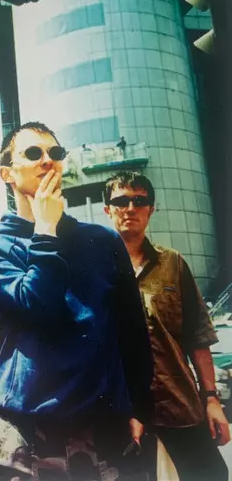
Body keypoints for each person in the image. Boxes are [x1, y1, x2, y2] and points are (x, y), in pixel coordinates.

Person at [0, 121, 154, 481]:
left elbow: (131, 331)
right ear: (7, 173)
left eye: (55, 152)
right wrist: (45, 229)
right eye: (32, 153)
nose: (47, 160)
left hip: (106, 422)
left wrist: (140, 408)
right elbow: (39, 306)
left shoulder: (102, 240)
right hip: (31, 430)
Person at [103, 171, 229, 481]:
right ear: (107, 209)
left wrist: (211, 398)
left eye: (139, 201)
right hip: (123, 415)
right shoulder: (95, 269)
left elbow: (198, 336)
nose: (130, 208)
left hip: (179, 405)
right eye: (120, 201)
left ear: (151, 209)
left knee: (212, 474)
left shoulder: (173, 263)